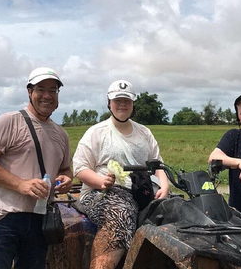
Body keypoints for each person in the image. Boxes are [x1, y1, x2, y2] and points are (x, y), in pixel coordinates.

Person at [0, 67, 73, 269]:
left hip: (40, 219)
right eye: (41, 89)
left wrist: (66, 179)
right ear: (29, 91)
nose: (47, 96)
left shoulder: (61, 134)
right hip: (2, 217)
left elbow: (66, 169)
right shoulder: (9, 121)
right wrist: (20, 185)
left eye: (53, 90)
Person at [73, 79, 170, 269]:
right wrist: (101, 182)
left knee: (175, 209)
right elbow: (80, 168)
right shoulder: (96, 132)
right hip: (101, 193)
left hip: (142, 191)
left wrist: (165, 186)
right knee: (121, 212)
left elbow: (158, 165)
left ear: (133, 104)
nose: (122, 104)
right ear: (109, 103)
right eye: (117, 100)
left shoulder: (144, 133)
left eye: (127, 100)